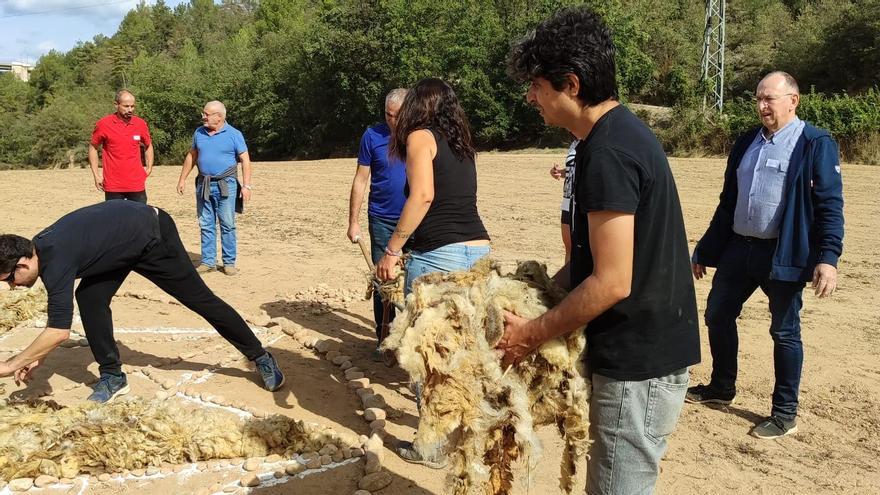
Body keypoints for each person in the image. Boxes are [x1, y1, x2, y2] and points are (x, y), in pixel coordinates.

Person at [499, 7, 700, 493]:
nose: (530, 97)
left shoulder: (609, 149)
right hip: (635, 354)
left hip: (639, 365)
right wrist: (533, 292)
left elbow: (612, 280)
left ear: (570, 84)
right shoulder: (602, 139)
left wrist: (531, 334)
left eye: (537, 86)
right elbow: (590, 263)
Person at [686, 71, 844, 440]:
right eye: (758, 99)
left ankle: (785, 412)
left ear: (793, 100)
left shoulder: (814, 143)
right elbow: (728, 204)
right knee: (717, 314)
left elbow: (830, 205)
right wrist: (706, 249)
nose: (761, 106)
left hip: (783, 253)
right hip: (739, 249)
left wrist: (828, 257)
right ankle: (722, 387)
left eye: (768, 99)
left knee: (784, 332)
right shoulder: (746, 142)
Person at [0, 201, 284, 403]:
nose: (12, 287)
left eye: (9, 279)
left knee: (199, 299)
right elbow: (58, 322)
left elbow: (59, 330)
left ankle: (260, 356)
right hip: (118, 246)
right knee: (90, 297)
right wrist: (39, 356)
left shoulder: (56, 261)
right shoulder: (39, 248)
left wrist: (12, 364)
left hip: (152, 236)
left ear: (23, 263)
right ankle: (113, 376)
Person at [375, 78, 491, 467]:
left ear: (417, 108)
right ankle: (465, 434)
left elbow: (423, 196)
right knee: (460, 352)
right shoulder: (461, 141)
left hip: (439, 256)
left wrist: (393, 249)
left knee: (426, 355)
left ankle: (431, 445)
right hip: (476, 251)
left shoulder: (420, 137)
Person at [347, 89, 408, 355]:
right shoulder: (372, 136)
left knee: (414, 281)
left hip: (414, 221)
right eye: (388, 115)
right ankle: (384, 338)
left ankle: (410, 339)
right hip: (382, 218)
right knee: (384, 279)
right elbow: (361, 180)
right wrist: (353, 222)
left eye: (398, 115)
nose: (393, 121)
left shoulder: (419, 136)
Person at [176, 101, 252, 276]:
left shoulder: (234, 134)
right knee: (206, 223)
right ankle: (208, 262)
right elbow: (192, 156)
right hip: (204, 184)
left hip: (227, 184)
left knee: (227, 224)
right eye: (203, 113)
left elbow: (245, 160)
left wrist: (246, 186)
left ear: (219, 116)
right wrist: (182, 179)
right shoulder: (199, 133)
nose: (203, 116)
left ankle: (229, 263)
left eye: (206, 114)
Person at [88, 89, 154, 203]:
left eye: (132, 106)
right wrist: (96, 175)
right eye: (126, 106)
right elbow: (93, 147)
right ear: (116, 105)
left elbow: (148, 145)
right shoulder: (103, 124)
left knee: (138, 219)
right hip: (113, 185)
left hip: (136, 184)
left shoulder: (140, 124)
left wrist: (149, 168)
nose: (130, 110)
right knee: (115, 220)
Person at [549, 138, 579, 262]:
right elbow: (572, 170)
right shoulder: (575, 142)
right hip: (567, 200)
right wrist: (559, 173)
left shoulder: (593, 139)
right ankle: (569, 280)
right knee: (570, 249)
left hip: (583, 201)